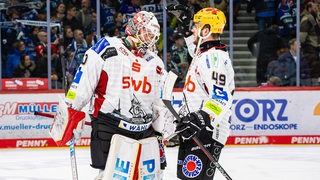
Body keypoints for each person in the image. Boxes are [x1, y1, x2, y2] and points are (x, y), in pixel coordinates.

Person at [51, 11, 175, 179]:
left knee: (150, 176)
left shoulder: (156, 63)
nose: (150, 38)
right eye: (147, 32)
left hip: (144, 132)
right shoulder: (107, 48)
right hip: (111, 127)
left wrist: (165, 128)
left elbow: (158, 101)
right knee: (112, 176)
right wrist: (71, 111)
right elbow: (83, 82)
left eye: (153, 34)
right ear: (134, 29)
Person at [168, 6, 235, 179]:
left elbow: (221, 98)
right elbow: (194, 49)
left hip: (207, 130)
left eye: (196, 26)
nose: (192, 29)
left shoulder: (213, 59)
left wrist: (200, 118)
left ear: (206, 31)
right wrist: (186, 28)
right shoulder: (204, 53)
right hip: (196, 127)